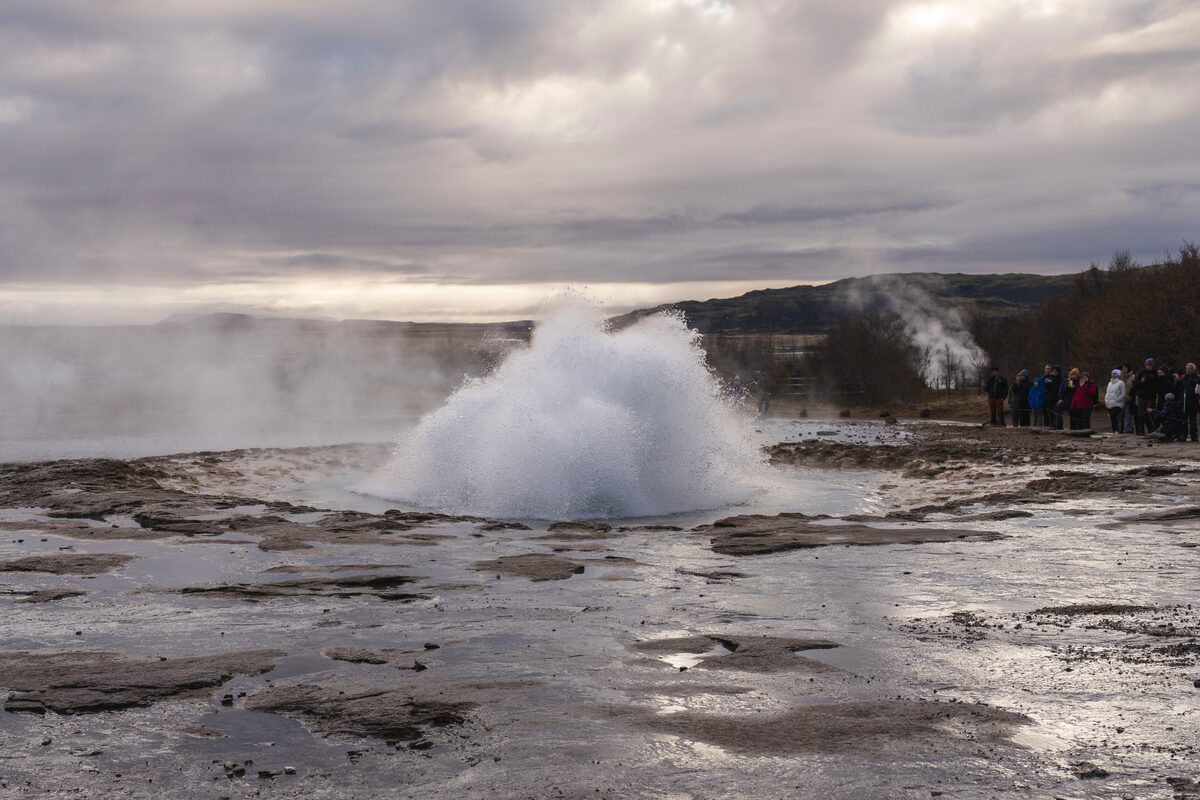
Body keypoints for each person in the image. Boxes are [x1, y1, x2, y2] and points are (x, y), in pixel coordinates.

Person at [1134, 358, 1159, 434]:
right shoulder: (1141, 373)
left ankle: (1152, 430)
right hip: (1141, 397)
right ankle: (1141, 431)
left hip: (1151, 397)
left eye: (1149, 365)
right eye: (1146, 365)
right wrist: (1141, 382)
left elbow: (1157, 386)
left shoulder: (1155, 373)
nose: (1148, 366)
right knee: (1141, 415)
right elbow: (1135, 385)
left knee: (1150, 414)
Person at [1105, 369, 1127, 434]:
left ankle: (1117, 430)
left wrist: (1117, 400)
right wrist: (1106, 400)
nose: (1113, 375)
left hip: (1118, 403)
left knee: (1113, 415)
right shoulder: (1109, 383)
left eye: (1115, 374)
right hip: (1109, 404)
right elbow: (1108, 393)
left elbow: (1123, 393)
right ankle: (1114, 431)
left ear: (1118, 375)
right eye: (1112, 374)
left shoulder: (1121, 383)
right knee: (1112, 417)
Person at [1183, 362, 1199, 443]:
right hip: (1184, 402)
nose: (1187, 370)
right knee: (1184, 419)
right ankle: (1184, 435)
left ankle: (1194, 436)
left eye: (1189, 368)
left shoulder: (1196, 378)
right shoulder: (1184, 378)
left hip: (1193, 401)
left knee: (1193, 420)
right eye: (1186, 368)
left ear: (1193, 369)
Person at [1120, 364, 1135, 434]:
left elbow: (1134, 387)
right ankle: (1122, 429)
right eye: (1123, 368)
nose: (1124, 369)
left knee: (1128, 415)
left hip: (1129, 398)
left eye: (1126, 368)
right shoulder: (1120, 377)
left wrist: (1131, 396)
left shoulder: (1132, 377)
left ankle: (1129, 429)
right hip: (1121, 399)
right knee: (1121, 416)